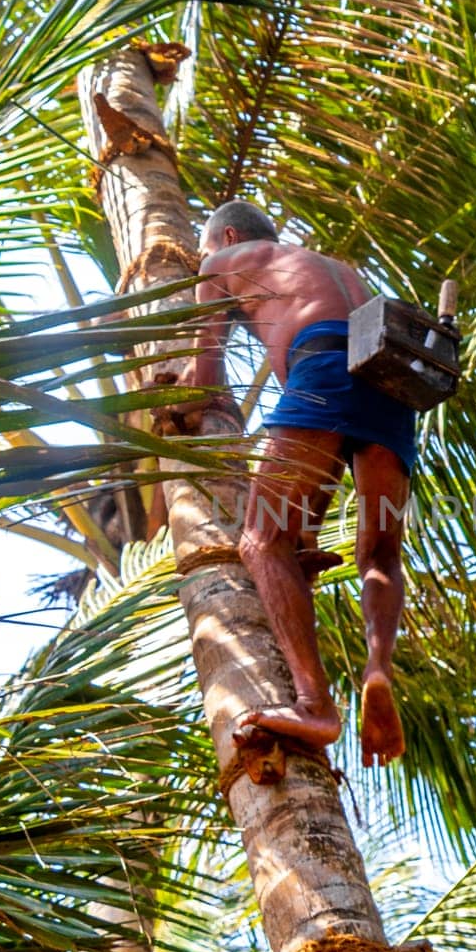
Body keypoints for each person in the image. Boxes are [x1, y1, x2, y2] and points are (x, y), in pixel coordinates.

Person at [176, 200, 415, 764]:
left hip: (325, 367)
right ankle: (377, 669)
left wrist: (176, 398)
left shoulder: (224, 261)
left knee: (260, 542)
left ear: (227, 235)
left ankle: (315, 707)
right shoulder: (332, 267)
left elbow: (207, 379)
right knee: (380, 554)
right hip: (396, 373)